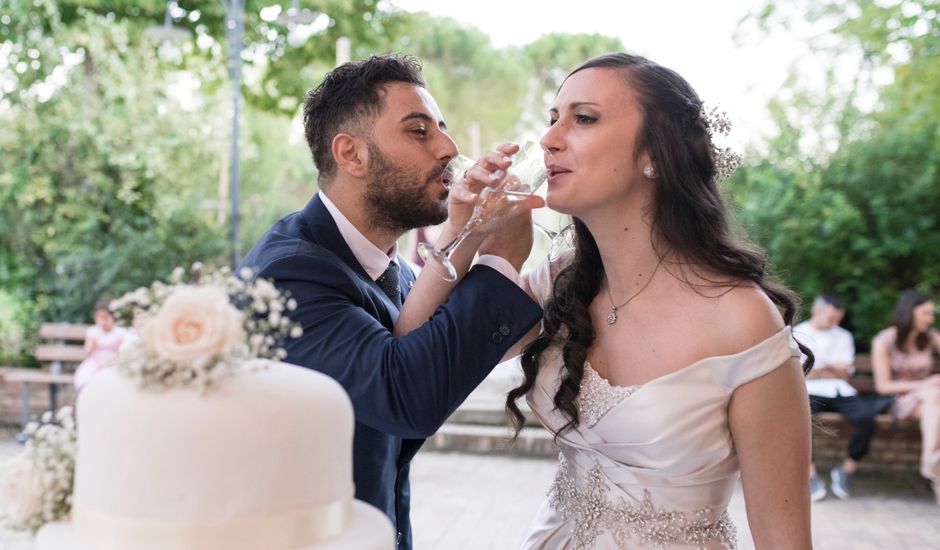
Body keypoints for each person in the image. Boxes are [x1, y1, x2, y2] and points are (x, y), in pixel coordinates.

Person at [237, 54, 543, 549]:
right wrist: (500, 259)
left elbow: (453, 340)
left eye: (442, 128)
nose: (449, 147)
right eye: (419, 131)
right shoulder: (288, 273)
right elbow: (406, 394)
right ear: (352, 155)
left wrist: (468, 230)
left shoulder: (392, 270)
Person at [512, 53, 812, 548]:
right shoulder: (560, 281)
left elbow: (785, 538)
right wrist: (470, 237)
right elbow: (424, 360)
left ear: (654, 151)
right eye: (552, 119)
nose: (548, 139)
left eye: (583, 118)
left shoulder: (741, 319)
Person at [795, 293, 885, 501]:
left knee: (866, 418)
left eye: (838, 319)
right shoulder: (799, 333)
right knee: (799, 420)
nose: (835, 322)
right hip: (810, 390)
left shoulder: (844, 336)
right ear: (817, 311)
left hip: (840, 390)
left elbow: (844, 373)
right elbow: (799, 373)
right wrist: (829, 368)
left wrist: (819, 368)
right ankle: (810, 475)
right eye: (831, 318)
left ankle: (846, 469)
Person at [871, 288, 940, 505]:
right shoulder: (884, 340)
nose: (930, 319)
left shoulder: (931, 338)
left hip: (929, 403)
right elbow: (883, 387)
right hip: (898, 401)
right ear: (910, 312)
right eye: (926, 314)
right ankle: (928, 460)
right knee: (933, 394)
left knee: (934, 399)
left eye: (932, 314)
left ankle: (932, 464)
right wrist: (923, 384)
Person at [73, 299, 126, 390]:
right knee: (87, 379)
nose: (103, 321)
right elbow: (87, 353)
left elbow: (121, 353)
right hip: (94, 363)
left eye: (105, 317)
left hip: (113, 364)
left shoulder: (120, 333)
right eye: (99, 317)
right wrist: (92, 342)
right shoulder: (93, 331)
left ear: (113, 317)